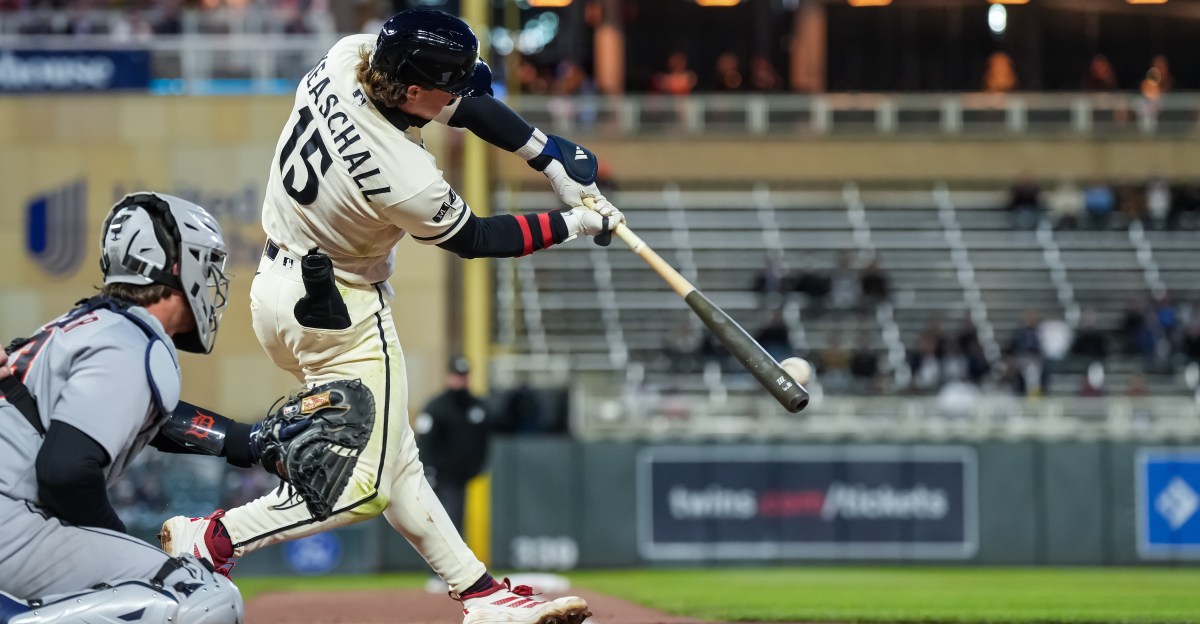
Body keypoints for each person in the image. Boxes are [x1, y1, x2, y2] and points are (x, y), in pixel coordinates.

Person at [157, 9, 615, 624]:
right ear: (416, 88)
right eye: (446, 84)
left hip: (277, 293)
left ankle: (481, 598)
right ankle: (212, 538)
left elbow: (461, 101)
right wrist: (576, 223)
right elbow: (476, 237)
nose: (459, 91)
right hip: (340, 308)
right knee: (365, 484)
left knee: (395, 461)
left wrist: (547, 156)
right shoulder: (406, 178)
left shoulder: (350, 57)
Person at [0, 193, 243, 622]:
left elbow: (141, 418)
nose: (210, 281)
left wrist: (247, 440)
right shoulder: (132, 339)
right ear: (174, 267)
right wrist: (114, 539)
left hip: (12, 518)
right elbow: (66, 472)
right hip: (11, 525)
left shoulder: (83, 325)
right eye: (204, 264)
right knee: (204, 597)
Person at [414, 357, 491, 535]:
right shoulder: (436, 406)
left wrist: (479, 465)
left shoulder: (475, 406)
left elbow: (483, 438)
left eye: (463, 376)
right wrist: (428, 469)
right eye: (457, 375)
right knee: (446, 522)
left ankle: (448, 561)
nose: (460, 380)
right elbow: (424, 439)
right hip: (440, 476)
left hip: (463, 476)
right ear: (448, 377)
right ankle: (445, 562)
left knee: (455, 521)